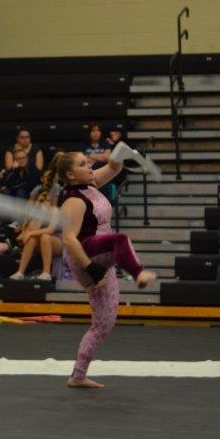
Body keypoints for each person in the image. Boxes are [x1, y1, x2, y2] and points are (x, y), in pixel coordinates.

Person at [46, 151, 156, 389]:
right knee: (120, 239)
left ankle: (78, 375)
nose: (89, 166)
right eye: (83, 164)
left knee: (105, 322)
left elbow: (115, 169)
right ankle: (138, 273)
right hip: (86, 254)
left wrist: (115, 156)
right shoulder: (73, 200)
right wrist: (91, 268)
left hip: (102, 250)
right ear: (70, 174)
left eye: (88, 162)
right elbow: (69, 239)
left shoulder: (90, 183)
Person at [10, 157, 64, 281]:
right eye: (42, 201)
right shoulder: (38, 212)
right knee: (34, 238)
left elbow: (50, 230)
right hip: (44, 241)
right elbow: (32, 229)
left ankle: (46, 272)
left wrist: (30, 233)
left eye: (47, 200)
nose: (44, 203)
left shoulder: (55, 210)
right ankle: (20, 272)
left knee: (44, 236)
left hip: (59, 241)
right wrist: (30, 230)